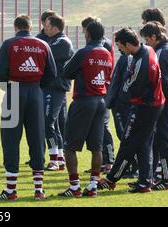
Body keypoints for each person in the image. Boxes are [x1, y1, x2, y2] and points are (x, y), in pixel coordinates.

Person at [0, 15, 57, 201]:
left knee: (10, 138)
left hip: (14, 91)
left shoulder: (9, 44)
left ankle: (11, 189)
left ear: (15, 27)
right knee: (37, 138)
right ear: (31, 27)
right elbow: (52, 73)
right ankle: (39, 189)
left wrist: (9, 86)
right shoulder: (42, 44)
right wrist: (37, 86)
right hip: (35, 92)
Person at [98, 27, 165, 193]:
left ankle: (111, 179)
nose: (119, 49)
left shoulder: (141, 62)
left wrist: (118, 101)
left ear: (128, 44)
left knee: (128, 142)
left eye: (120, 45)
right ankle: (144, 182)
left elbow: (129, 90)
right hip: (152, 104)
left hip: (145, 107)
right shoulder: (147, 50)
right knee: (143, 143)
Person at [57, 20, 113, 198]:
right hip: (101, 101)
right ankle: (93, 186)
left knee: (69, 146)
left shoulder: (83, 52)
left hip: (83, 101)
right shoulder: (106, 53)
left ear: (88, 34)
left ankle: (74, 187)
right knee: (96, 147)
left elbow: (66, 72)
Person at [140, 21, 168, 190]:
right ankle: (152, 177)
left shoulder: (160, 53)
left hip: (164, 103)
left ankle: (166, 180)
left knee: (162, 140)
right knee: (157, 141)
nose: (146, 43)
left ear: (154, 36)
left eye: (147, 39)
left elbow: (164, 81)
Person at [37, 14, 74, 171]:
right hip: (51, 87)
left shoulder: (62, 42)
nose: (45, 28)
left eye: (47, 26)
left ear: (54, 27)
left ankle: (53, 159)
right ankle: (59, 158)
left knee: (47, 122)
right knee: (55, 124)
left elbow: (42, 54)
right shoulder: (53, 40)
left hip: (55, 87)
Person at [81, 17, 115, 174]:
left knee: (104, 126)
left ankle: (109, 161)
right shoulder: (100, 44)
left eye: (84, 30)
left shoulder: (104, 44)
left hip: (102, 89)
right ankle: (103, 162)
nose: (84, 34)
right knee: (98, 127)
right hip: (99, 89)